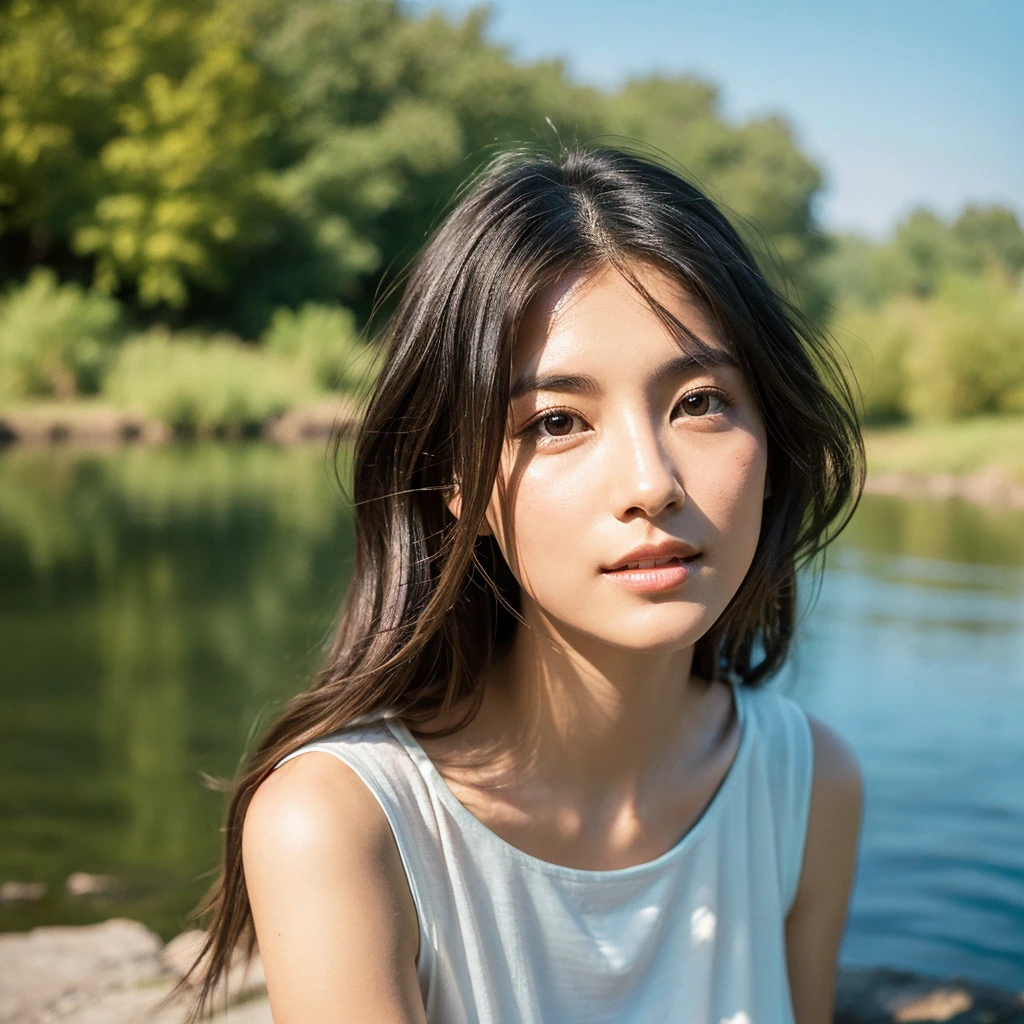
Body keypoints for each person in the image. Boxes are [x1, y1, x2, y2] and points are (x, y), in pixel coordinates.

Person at [174, 142, 866, 1024]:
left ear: (771, 441)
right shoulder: (343, 827)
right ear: (459, 487)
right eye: (557, 420)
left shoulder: (806, 784)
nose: (651, 483)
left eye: (699, 402)